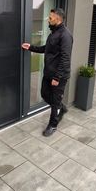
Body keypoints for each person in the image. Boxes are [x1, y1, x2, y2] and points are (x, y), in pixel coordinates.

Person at [22, 8, 73, 136]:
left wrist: (58, 77)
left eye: (50, 18)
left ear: (58, 19)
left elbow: (65, 58)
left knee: (55, 102)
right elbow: (47, 49)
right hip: (49, 73)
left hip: (58, 76)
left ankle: (53, 125)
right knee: (44, 94)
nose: (48, 20)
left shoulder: (65, 35)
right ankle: (60, 107)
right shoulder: (53, 34)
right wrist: (31, 47)